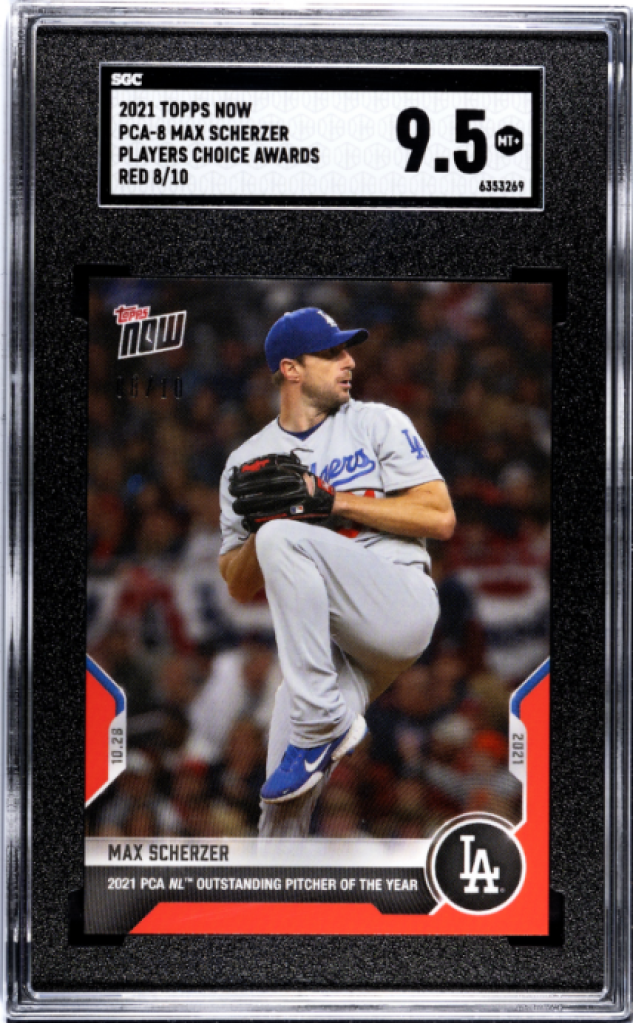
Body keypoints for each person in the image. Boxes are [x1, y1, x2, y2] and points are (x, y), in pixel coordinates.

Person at [218, 307, 455, 838]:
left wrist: (332, 502)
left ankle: (322, 719)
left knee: (282, 535)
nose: (349, 361)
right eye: (331, 353)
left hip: (397, 599)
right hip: (330, 649)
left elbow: (439, 517)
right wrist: (268, 525)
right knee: (282, 801)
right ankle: (273, 895)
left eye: (347, 350)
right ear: (291, 369)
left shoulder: (377, 422)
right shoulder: (246, 460)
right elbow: (237, 582)